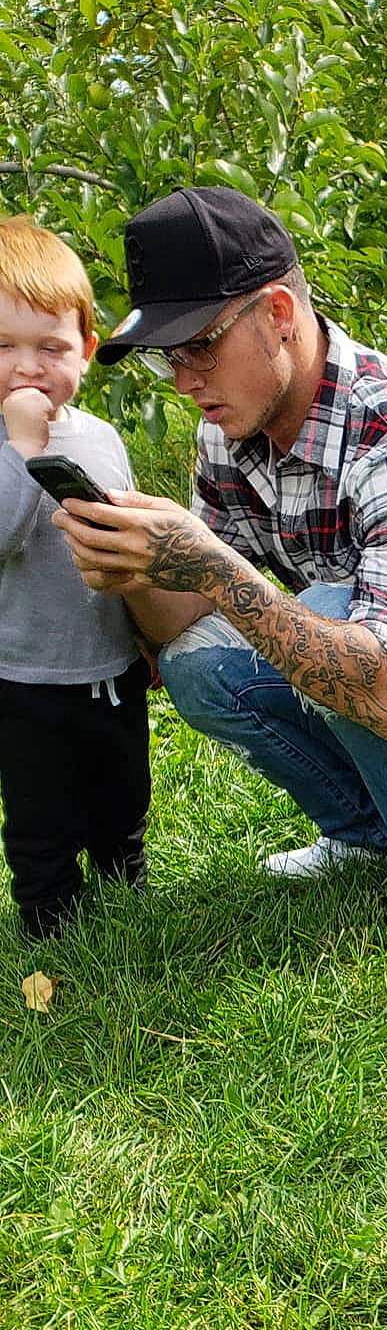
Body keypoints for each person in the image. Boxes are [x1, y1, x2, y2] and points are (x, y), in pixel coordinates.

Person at [55, 187, 387, 943]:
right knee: (198, 662)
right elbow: (189, 623)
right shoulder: (229, 430)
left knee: (322, 612)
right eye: (168, 359)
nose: (186, 381)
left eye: (199, 346)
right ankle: (367, 834)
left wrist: (213, 565)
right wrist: (140, 568)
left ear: (278, 316)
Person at [0, 215, 182, 938]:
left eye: (50, 347)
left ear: (87, 351)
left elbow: (127, 546)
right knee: (41, 810)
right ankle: (48, 916)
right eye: (4, 347)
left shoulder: (103, 438)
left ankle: (123, 886)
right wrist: (22, 444)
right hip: (24, 675)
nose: (26, 367)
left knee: (122, 792)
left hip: (111, 665)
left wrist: (149, 637)